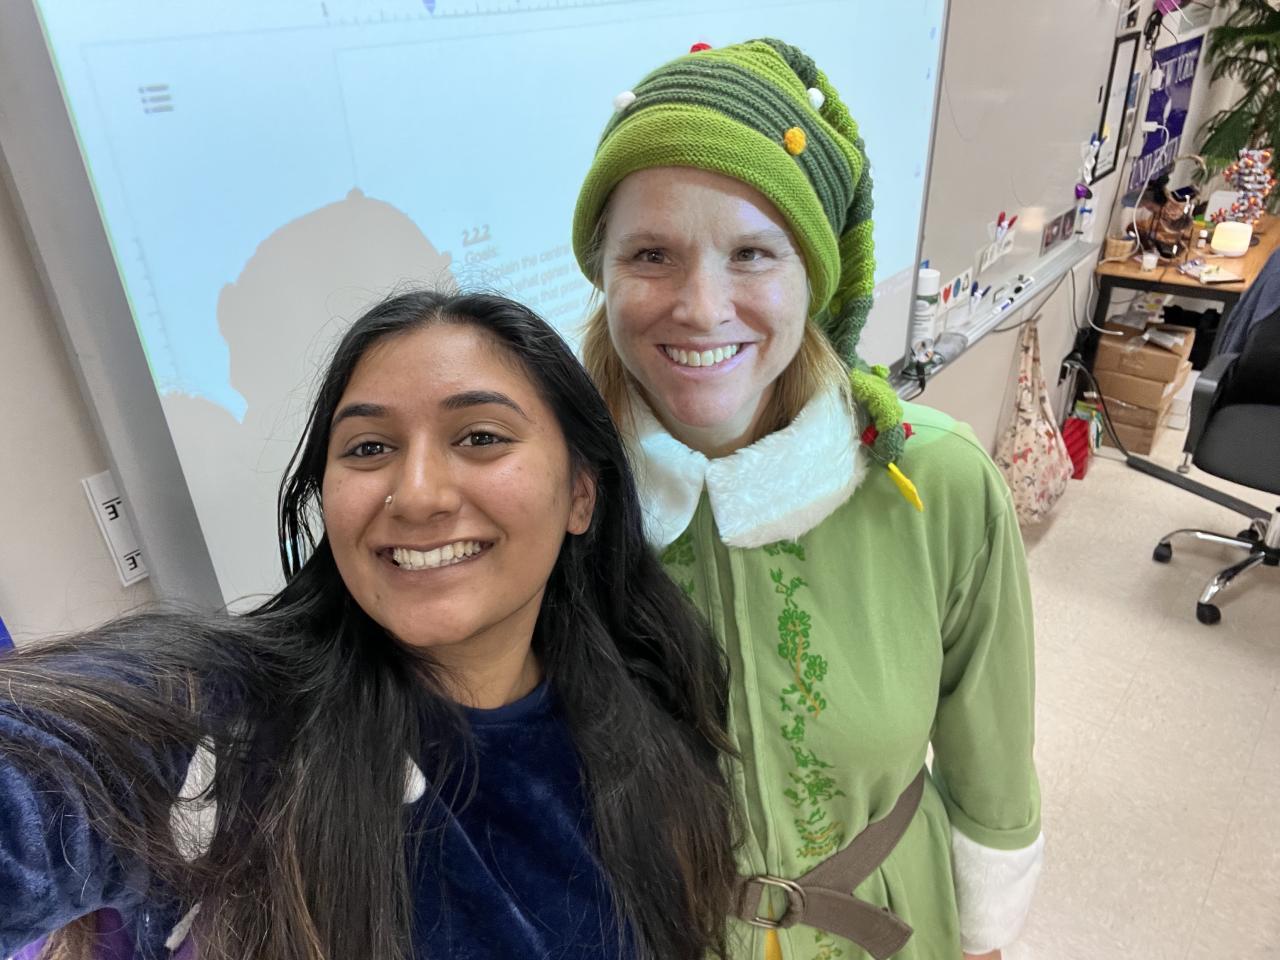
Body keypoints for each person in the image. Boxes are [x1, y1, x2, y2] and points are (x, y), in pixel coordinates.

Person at [0, 290, 738, 960]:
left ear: (580, 494)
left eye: (481, 437)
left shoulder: (650, 693)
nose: (416, 495)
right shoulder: (222, 724)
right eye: (369, 448)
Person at [572, 39, 1042, 960]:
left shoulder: (932, 483)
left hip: (892, 925)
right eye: (652, 254)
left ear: (815, 276)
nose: (701, 307)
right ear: (604, 272)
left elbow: (992, 764)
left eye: (753, 253)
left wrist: (986, 937)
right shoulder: (558, 503)